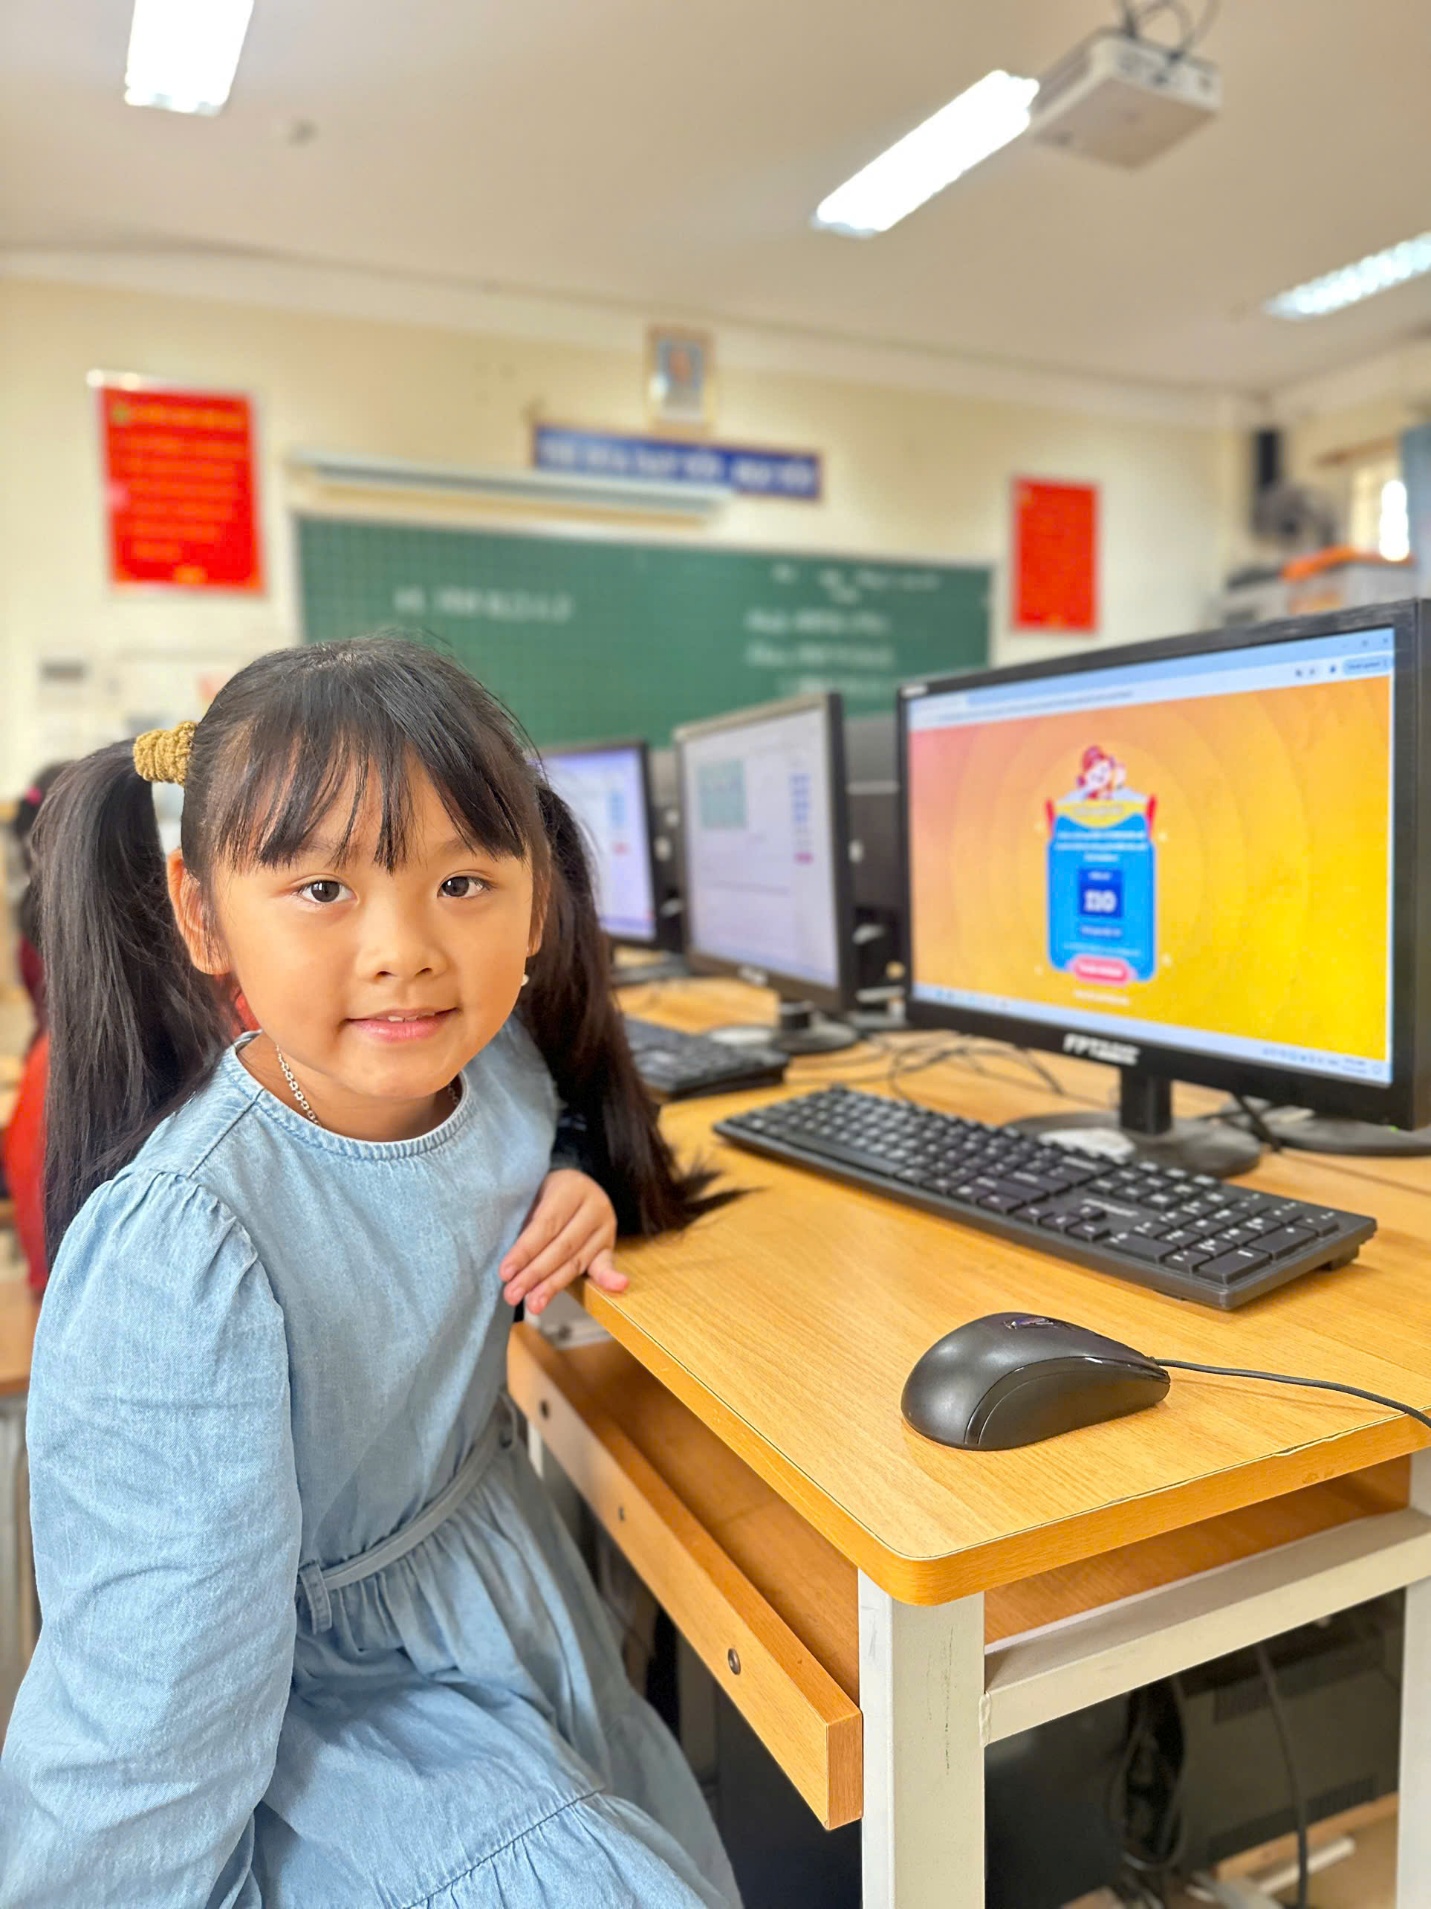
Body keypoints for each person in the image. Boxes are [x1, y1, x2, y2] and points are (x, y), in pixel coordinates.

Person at [0, 636, 741, 1908]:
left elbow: (551, 1112)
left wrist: (583, 1176)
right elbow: (149, 1723)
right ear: (202, 915)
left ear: (538, 897)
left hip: (498, 1594)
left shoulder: (497, 1071)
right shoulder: (188, 1251)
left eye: (463, 882)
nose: (405, 949)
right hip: (313, 1702)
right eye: (323, 889)